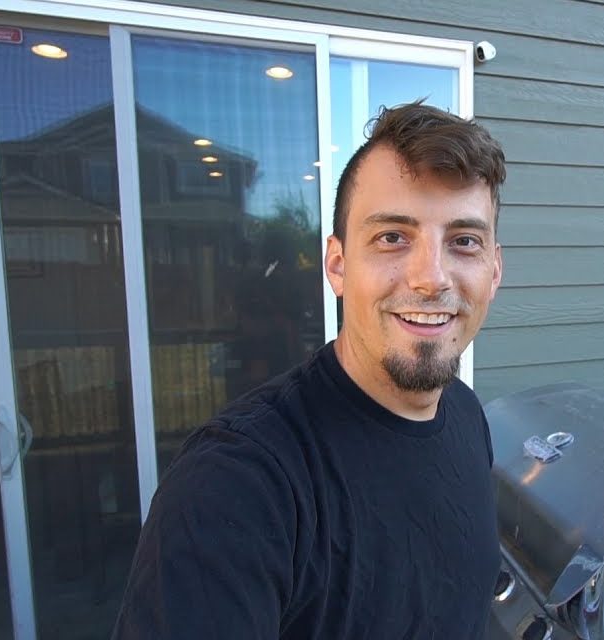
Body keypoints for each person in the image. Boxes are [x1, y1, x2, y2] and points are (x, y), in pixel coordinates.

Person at [112, 101, 506, 639]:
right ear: (338, 266)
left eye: (464, 241)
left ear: (494, 270)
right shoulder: (236, 486)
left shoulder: (466, 415)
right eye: (392, 237)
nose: (431, 278)